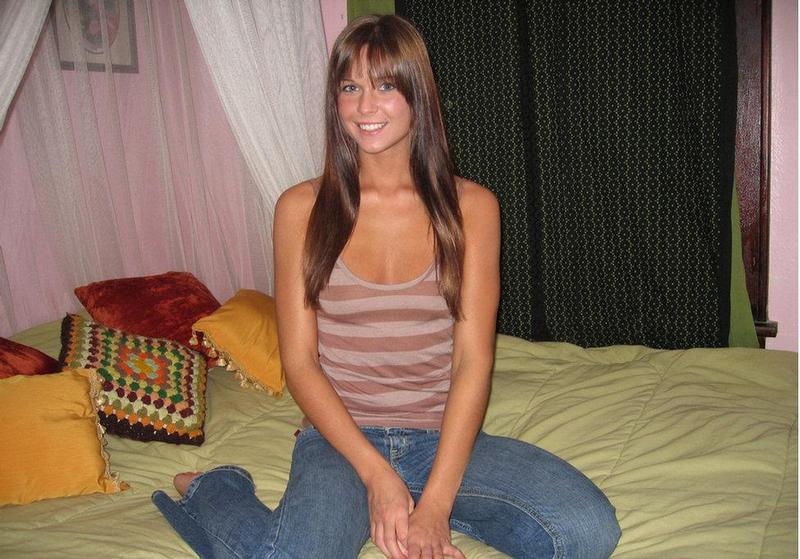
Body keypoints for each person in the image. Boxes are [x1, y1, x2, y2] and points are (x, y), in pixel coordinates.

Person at [152, 14, 620, 559]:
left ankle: (426, 506)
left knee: (587, 530)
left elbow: (472, 362)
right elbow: (300, 363)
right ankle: (217, 489)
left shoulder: (472, 208)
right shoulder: (302, 209)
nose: (364, 106)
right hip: (340, 441)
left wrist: (436, 507)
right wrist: (377, 477)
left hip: (441, 437)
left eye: (386, 86)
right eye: (350, 88)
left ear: (419, 95)